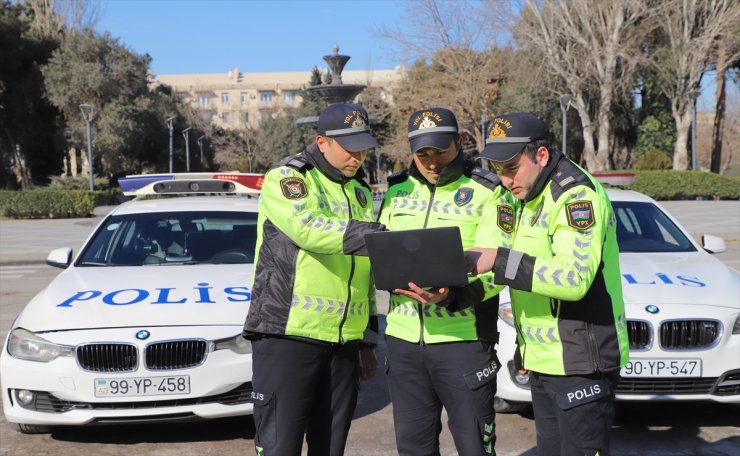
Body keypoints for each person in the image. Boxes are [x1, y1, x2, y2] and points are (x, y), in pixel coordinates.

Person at [465, 112, 630, 456]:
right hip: (542, 359)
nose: (505, 179)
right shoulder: (525, 195)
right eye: (497, 169)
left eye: (511, 167)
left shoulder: (575, 196)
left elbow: (573, 279)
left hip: (582, 363)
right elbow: (519, 273)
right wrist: (459, 291)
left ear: (540, 155)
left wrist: (498, 259)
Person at [242, 103, 385, 456]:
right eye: (349, 147)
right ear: (322, 142)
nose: (358, 155)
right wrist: (378, 235)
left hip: (343, 343)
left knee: (331, 448)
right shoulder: (289, 177)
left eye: (363, 146)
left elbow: (363, 273)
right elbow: (310, 230)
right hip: (289, 335)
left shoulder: (360, 192)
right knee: (279, 447)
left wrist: (367, 339)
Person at [377, 107, 515, 456]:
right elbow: (381, 250)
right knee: (413, 449)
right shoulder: (396, 191)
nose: (432, 162)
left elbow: (501, 265)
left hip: (464, 343)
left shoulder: (489, 190)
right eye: (423, 154)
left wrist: (454, 296)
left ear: (458, 143)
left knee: (475, 448)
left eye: (441, 150)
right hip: (404, 343)